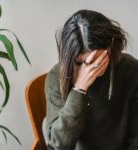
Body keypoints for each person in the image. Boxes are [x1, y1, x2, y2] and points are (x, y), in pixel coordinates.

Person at [44, 9, 138, 150]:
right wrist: (79, 90)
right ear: (69, 58)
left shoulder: (130, 68)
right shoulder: (56, 78)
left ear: (110, 47)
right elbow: (57, 146)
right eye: (80, 62)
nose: (90, 68)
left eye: (97, 59)